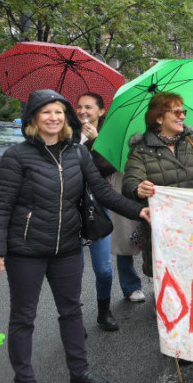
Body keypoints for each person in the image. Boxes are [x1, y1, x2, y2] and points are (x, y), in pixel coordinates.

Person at [0, 89, 150, 383]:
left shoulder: (77, 154)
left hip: (67, 248)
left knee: (72, 311)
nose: (53, 118)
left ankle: (79, 370)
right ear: (33, 118)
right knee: (23, 318)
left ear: (66, 118)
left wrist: (136, 210)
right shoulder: (17, 157)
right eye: (46, 112)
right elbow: (1, 206)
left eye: (58, 112)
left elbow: (102, 191)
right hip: (26, 251)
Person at [122, 92, 193, 278]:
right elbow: (130, 183)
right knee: (169, 287)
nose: (183, 116)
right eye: (177, 112)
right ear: (159, 118)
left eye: (183, 111)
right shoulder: (141, 149)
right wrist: (138, 188)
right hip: (164, 234)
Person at [76, 93, 145, 330]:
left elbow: (109, 165)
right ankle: (74, 316)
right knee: (74, 269)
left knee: (104, 268)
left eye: (88, 107)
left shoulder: (109, 135)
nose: (83, 111)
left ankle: (104, 311)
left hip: (103, 202)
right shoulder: (68, 135)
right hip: (73, 207)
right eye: (79, 107)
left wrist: (95, 142)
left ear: (101, 111)